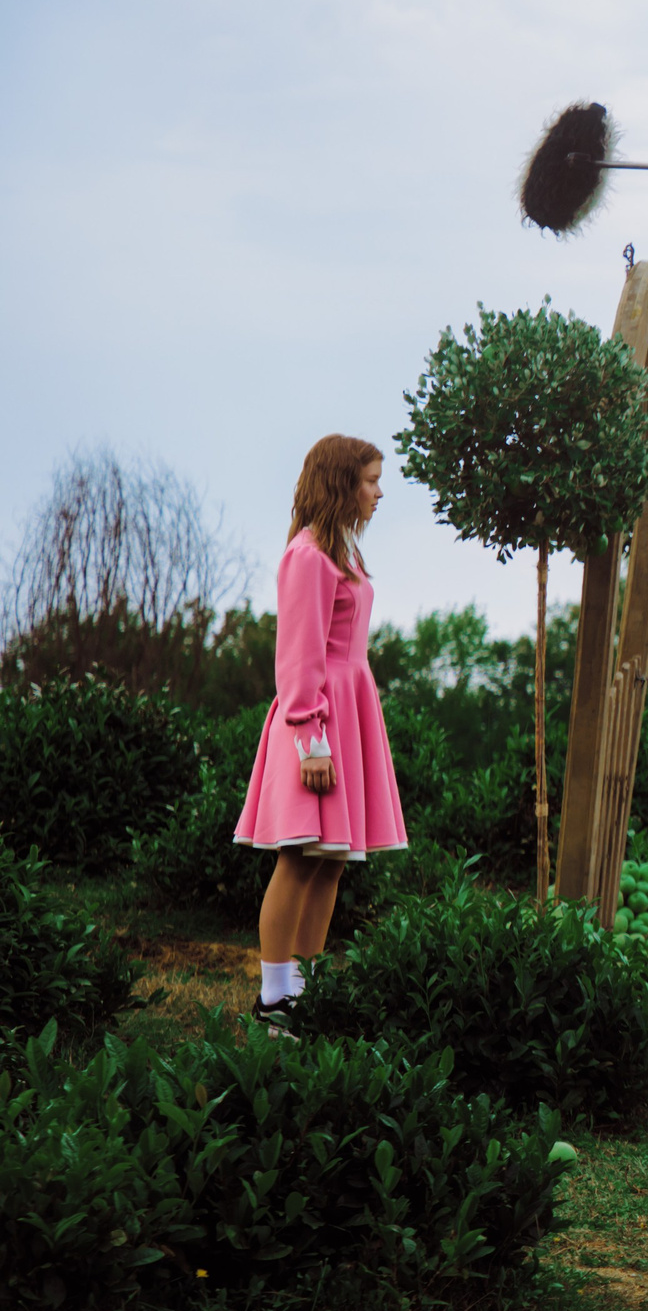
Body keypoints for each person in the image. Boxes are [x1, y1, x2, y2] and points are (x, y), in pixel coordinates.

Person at [234, 436, 406, 1038]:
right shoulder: (308, 556)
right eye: (370, 480)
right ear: (340, 484)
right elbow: (298, 654)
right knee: (299, 858)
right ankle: (273, 995)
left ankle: (306, 991)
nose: (380, 492)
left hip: (351, 713)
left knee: (332, 862)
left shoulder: (345, 556)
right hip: (318, 721)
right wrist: (311, 739)